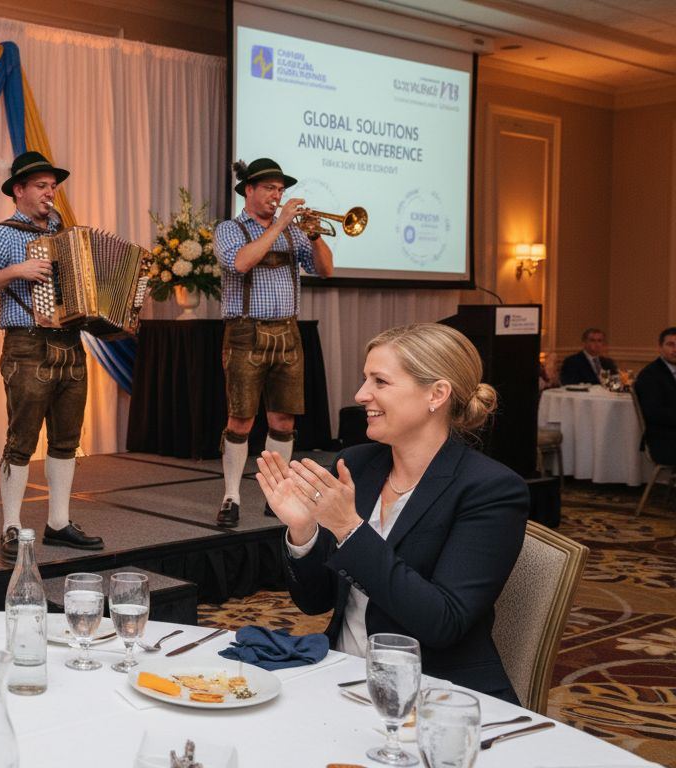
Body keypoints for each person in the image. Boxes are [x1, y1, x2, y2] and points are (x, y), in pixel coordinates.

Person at [257, 323, 528, 703]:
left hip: (437, 695)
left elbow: (442, 622)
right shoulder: (357, 465)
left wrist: (349, 530)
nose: (360, 394)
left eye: (380, 382)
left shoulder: (489, 490)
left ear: (436, 394)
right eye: (365, 379)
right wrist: (303, 530)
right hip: (342, 678)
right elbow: (316, 602)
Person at [0, 151, 103, 561]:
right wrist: (16, 271)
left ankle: (59, 522)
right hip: (26, 345)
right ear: (18, 191)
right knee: (21, 440)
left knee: (66, 440)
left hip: (70, 344)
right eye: (41, 186)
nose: (50, 192)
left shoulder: (65, 233)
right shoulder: (1, 235)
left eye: (52, 186)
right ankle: (10, 525)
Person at [213, 158, 333, 528]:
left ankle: (275, 494)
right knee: (241, 419)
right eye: (269, 188)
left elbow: (326, 270)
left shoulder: (295, 233)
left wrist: (313, 235)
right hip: (246, 332)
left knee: (283, 419)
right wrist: (281, 223)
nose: (276, 196)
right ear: (248, 190)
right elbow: (241, 263)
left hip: (288, 333)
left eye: (280, 190)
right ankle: (231, 496)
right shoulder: (229, 229)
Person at [634, 326, 676, 465]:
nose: (675, 349)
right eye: (670, 344)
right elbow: (654, 413)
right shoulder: (650, 375)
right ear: (660, 347)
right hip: (664, 439)